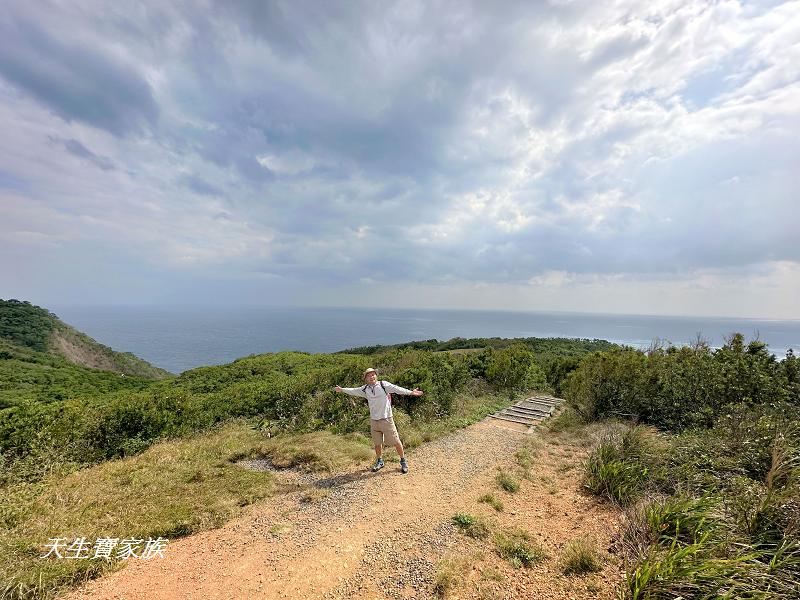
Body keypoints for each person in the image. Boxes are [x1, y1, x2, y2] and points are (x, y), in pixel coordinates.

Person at [334, 368, 423, 473]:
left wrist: (411, 392)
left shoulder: (383, 385)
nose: (372, 377)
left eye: (373, 374)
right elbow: (353, 391)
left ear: (376, 376)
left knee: (396, 441)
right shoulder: (364, 389)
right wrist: (342, 389)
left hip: (386, 419)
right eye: (369, 375)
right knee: (377, 443)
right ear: (365, 378)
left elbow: (396, 389)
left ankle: (403, 461)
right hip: (374, 420)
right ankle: (380, 461)